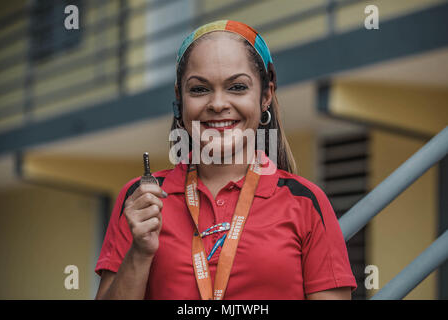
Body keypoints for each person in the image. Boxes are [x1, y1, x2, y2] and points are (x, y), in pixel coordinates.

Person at [95, 20, 357, 300]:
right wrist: (140, 251)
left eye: (237, 87)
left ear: (266, 95)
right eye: (199, 89)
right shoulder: (142, 199)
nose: (218, 104)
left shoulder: (306, 202)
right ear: (179, 99)